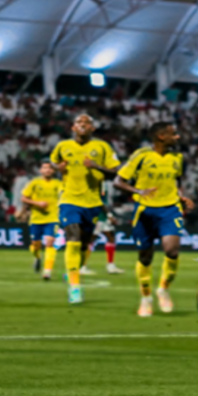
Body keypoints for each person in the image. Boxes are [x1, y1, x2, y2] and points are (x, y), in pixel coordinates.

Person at [114, 121, 193, 317]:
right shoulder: (141, 156)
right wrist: (138, 190)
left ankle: (163, 289)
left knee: (172, 250)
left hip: (170, 209)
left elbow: (177, 181)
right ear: (161, 136)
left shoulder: (178, 158)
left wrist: (181, 197)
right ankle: (146, 297)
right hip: (144, 210)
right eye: (173, 134)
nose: (177, 137)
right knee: (145, 257)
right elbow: (119, 181)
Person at [51, 114, 121, 304]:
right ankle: (75, 288)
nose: (82, 125)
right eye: (79, 122)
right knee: (72, 241)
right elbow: (54, 163)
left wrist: (96, 166)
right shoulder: (63, 146)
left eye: (87, 123)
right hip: (69, 200)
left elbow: (117, 171)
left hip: (92, 202)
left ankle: (73, 272)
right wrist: (59, 168)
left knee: (83, 245)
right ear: (73, 127)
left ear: (93, 128)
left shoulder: (102, 147)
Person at [20, 162, 63, 280]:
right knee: (35, 245)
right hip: (36, 218)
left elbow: (64, 196)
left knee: (50, 242)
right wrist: (37, 203)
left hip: (53, 218)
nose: (47, 170)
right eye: (45, 168)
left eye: (50, 168)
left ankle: (47, 271)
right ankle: (37, 257)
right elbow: (23, 197)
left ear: (53, 171)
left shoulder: (58, 184)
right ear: (40, 170)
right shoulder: (34, 182)